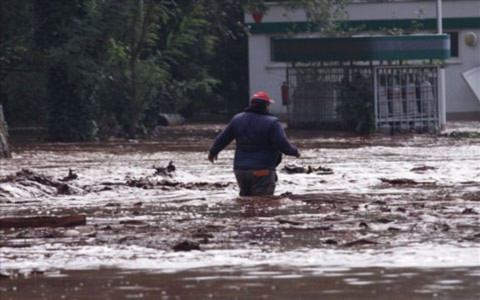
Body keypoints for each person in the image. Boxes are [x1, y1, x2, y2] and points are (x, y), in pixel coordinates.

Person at [208, 91, 300, 196]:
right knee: (263, 205)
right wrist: (295, 151)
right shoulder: (272, 122)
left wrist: (213, 152)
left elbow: (222, 138)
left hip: (240, 171)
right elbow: (282, 143)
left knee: (246, 205)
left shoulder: (237, 119)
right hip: (262, 170)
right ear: (266, 105)